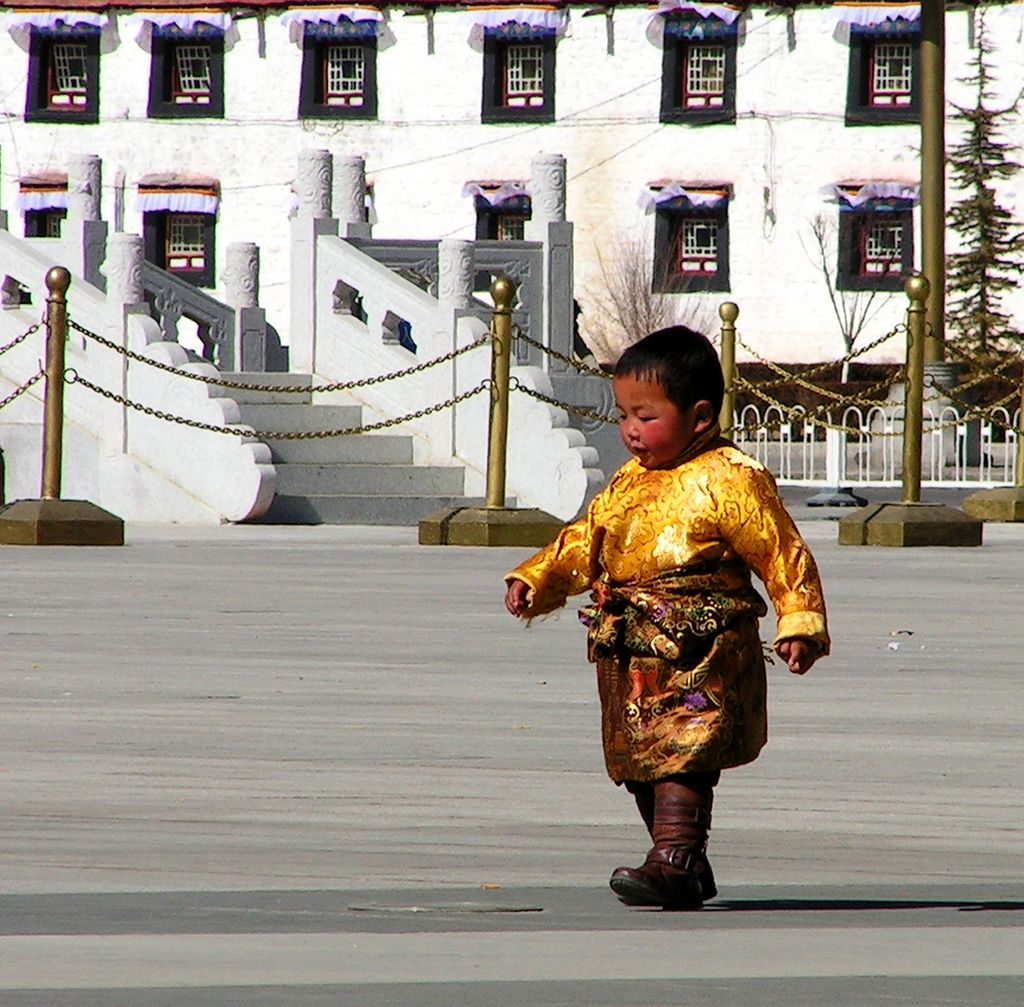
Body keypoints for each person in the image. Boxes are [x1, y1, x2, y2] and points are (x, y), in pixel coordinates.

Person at [503, 325, 829, 910]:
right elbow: (587, 540)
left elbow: (781, 550)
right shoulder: (629, 480)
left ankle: (674, 855)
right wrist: (538, 576)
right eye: (624, 414)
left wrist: (798, 619)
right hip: (631, 644)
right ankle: (683, 864)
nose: (630, 430)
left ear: (700, 416)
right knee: (640, 757)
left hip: (700, 646)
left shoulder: (731, 478)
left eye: (645, 416)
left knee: (684, 744)